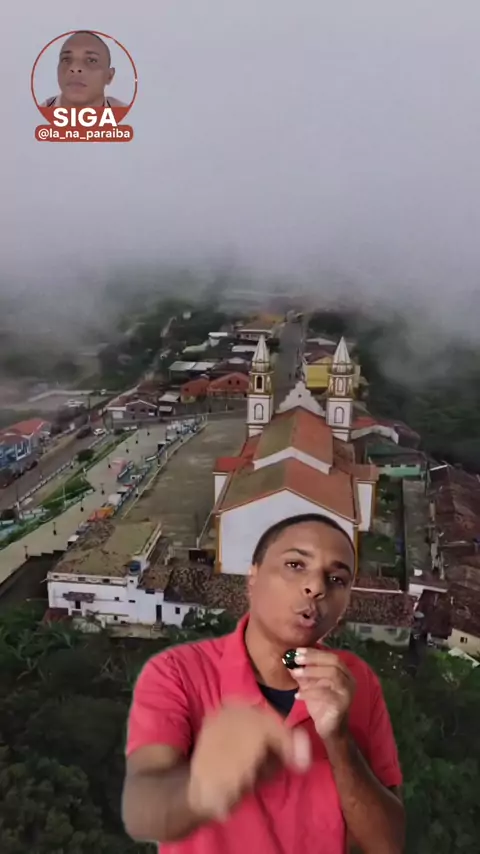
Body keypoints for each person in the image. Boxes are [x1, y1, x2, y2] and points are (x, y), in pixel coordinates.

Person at [123, 513, 405, 854]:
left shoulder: (357, 682)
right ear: (253, 578)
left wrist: (339, 740)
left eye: (336, 579)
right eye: (295, 565)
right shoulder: (178, 673)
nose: (316, 587)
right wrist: (199, 788)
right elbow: (140, 811)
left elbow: (388, 844)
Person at [41, 30, 126, 109]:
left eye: (91, 60)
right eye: (66, 59)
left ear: (109, 76)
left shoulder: (127, 114)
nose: (75, 68)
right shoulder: (37, 115)